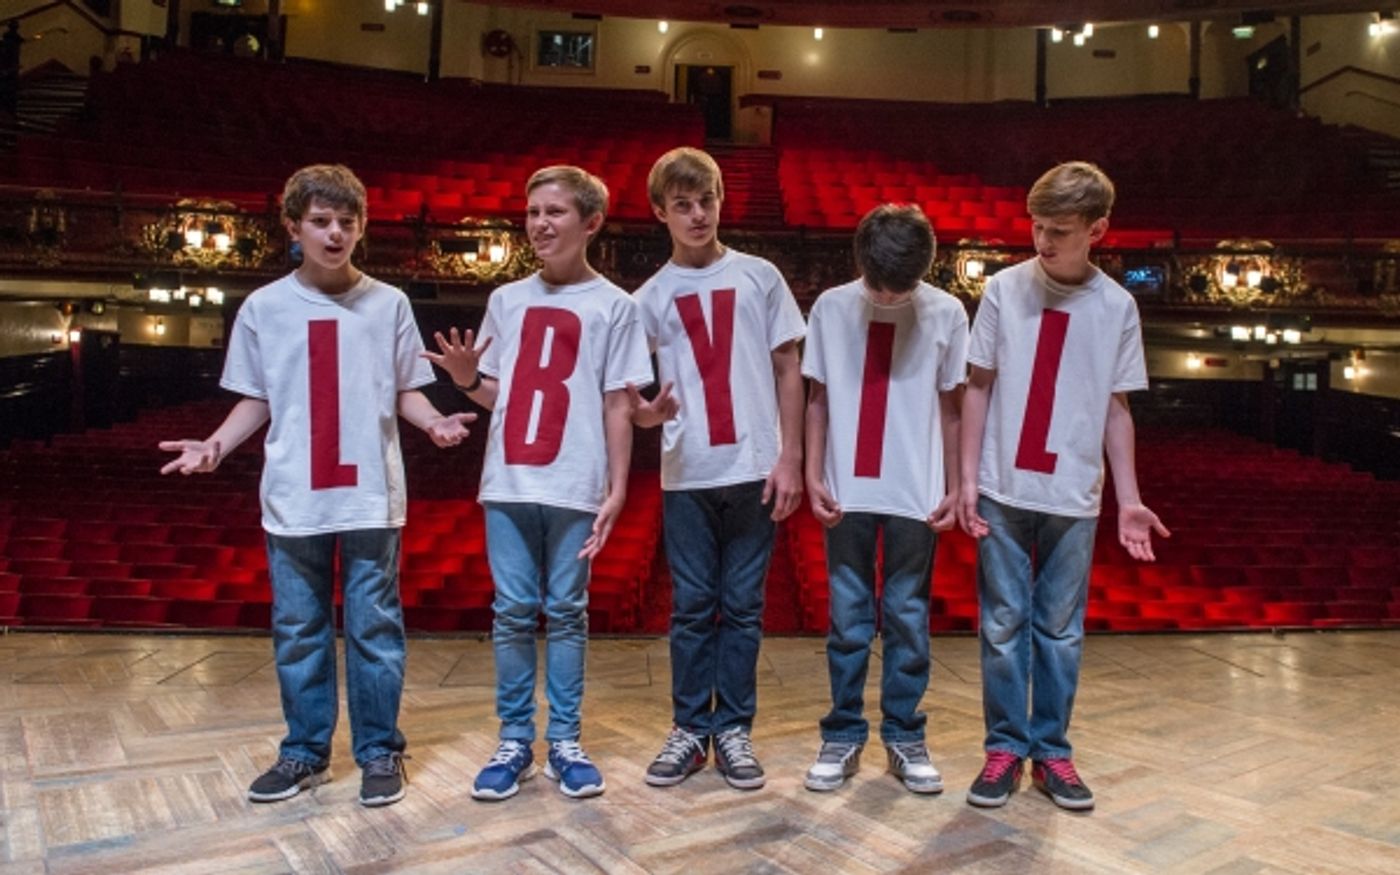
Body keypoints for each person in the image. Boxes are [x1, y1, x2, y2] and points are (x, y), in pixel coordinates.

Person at [159, 164, 473, 808]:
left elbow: (406, 391)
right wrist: (216, 443)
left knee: (374, 628)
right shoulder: (264, 308)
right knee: (299, 629)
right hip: (293, 497)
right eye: (321, 222)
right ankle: (304, 751)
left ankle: (380, 749)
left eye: (346, 222)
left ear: (362, 228)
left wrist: (436, 422)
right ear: (294, 228)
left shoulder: (388, 304)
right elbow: (256, 399)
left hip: (370, 497)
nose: (335, 233)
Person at [426, 165, 652, 801]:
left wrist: (616, 489)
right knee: (512, 614)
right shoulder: (507, 299)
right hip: (510, 482)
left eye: (554, 212)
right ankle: (515, 740)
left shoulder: (616, 306)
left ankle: (565, 742)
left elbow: (618, 403)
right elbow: (503, 397)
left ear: (591, 223)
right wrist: (469, 380)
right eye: (532, 212)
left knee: (569, 613)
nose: (540, 224)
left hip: (576, 480)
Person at [957, 161, 1169, 812]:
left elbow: (1116, 408)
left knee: (1059, 630)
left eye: (1058, 231)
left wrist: (1129, 498)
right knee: (1001, 625)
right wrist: (966, 478)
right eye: (1036, 227)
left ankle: (1052, 751)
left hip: (1074, 494)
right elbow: (979, 384)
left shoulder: (1116, 306)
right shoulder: (1002, 288)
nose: (1042, 241)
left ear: (1098, 229)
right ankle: (1004, 747)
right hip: (1001, 485)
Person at [630, 146, 805, 791]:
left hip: (756, 467)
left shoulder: (760, 276)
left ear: (720, 201)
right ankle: (688, 728)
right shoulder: (648, 297)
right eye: (682, 205)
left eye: (706, 202)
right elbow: (626, 393)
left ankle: (733, 728)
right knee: (692, 607)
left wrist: (790, 457)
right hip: (688, 471)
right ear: (660, 212)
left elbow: (790, 368)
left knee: (744, 607)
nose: (697, 214)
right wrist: (647, 417)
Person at [800, 204, 967, 794]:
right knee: (847, 620)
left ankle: (904, 734)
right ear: (859, 262)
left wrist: (954, 485)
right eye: (880, 286)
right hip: (847, 486)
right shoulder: (830, 306)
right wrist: (812, 470)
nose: (891, 298)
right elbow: (817, 398)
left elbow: (952, 407)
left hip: (915, 491)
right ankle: (842, 733)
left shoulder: (947, 310)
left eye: (905, 288)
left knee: (907, 617)